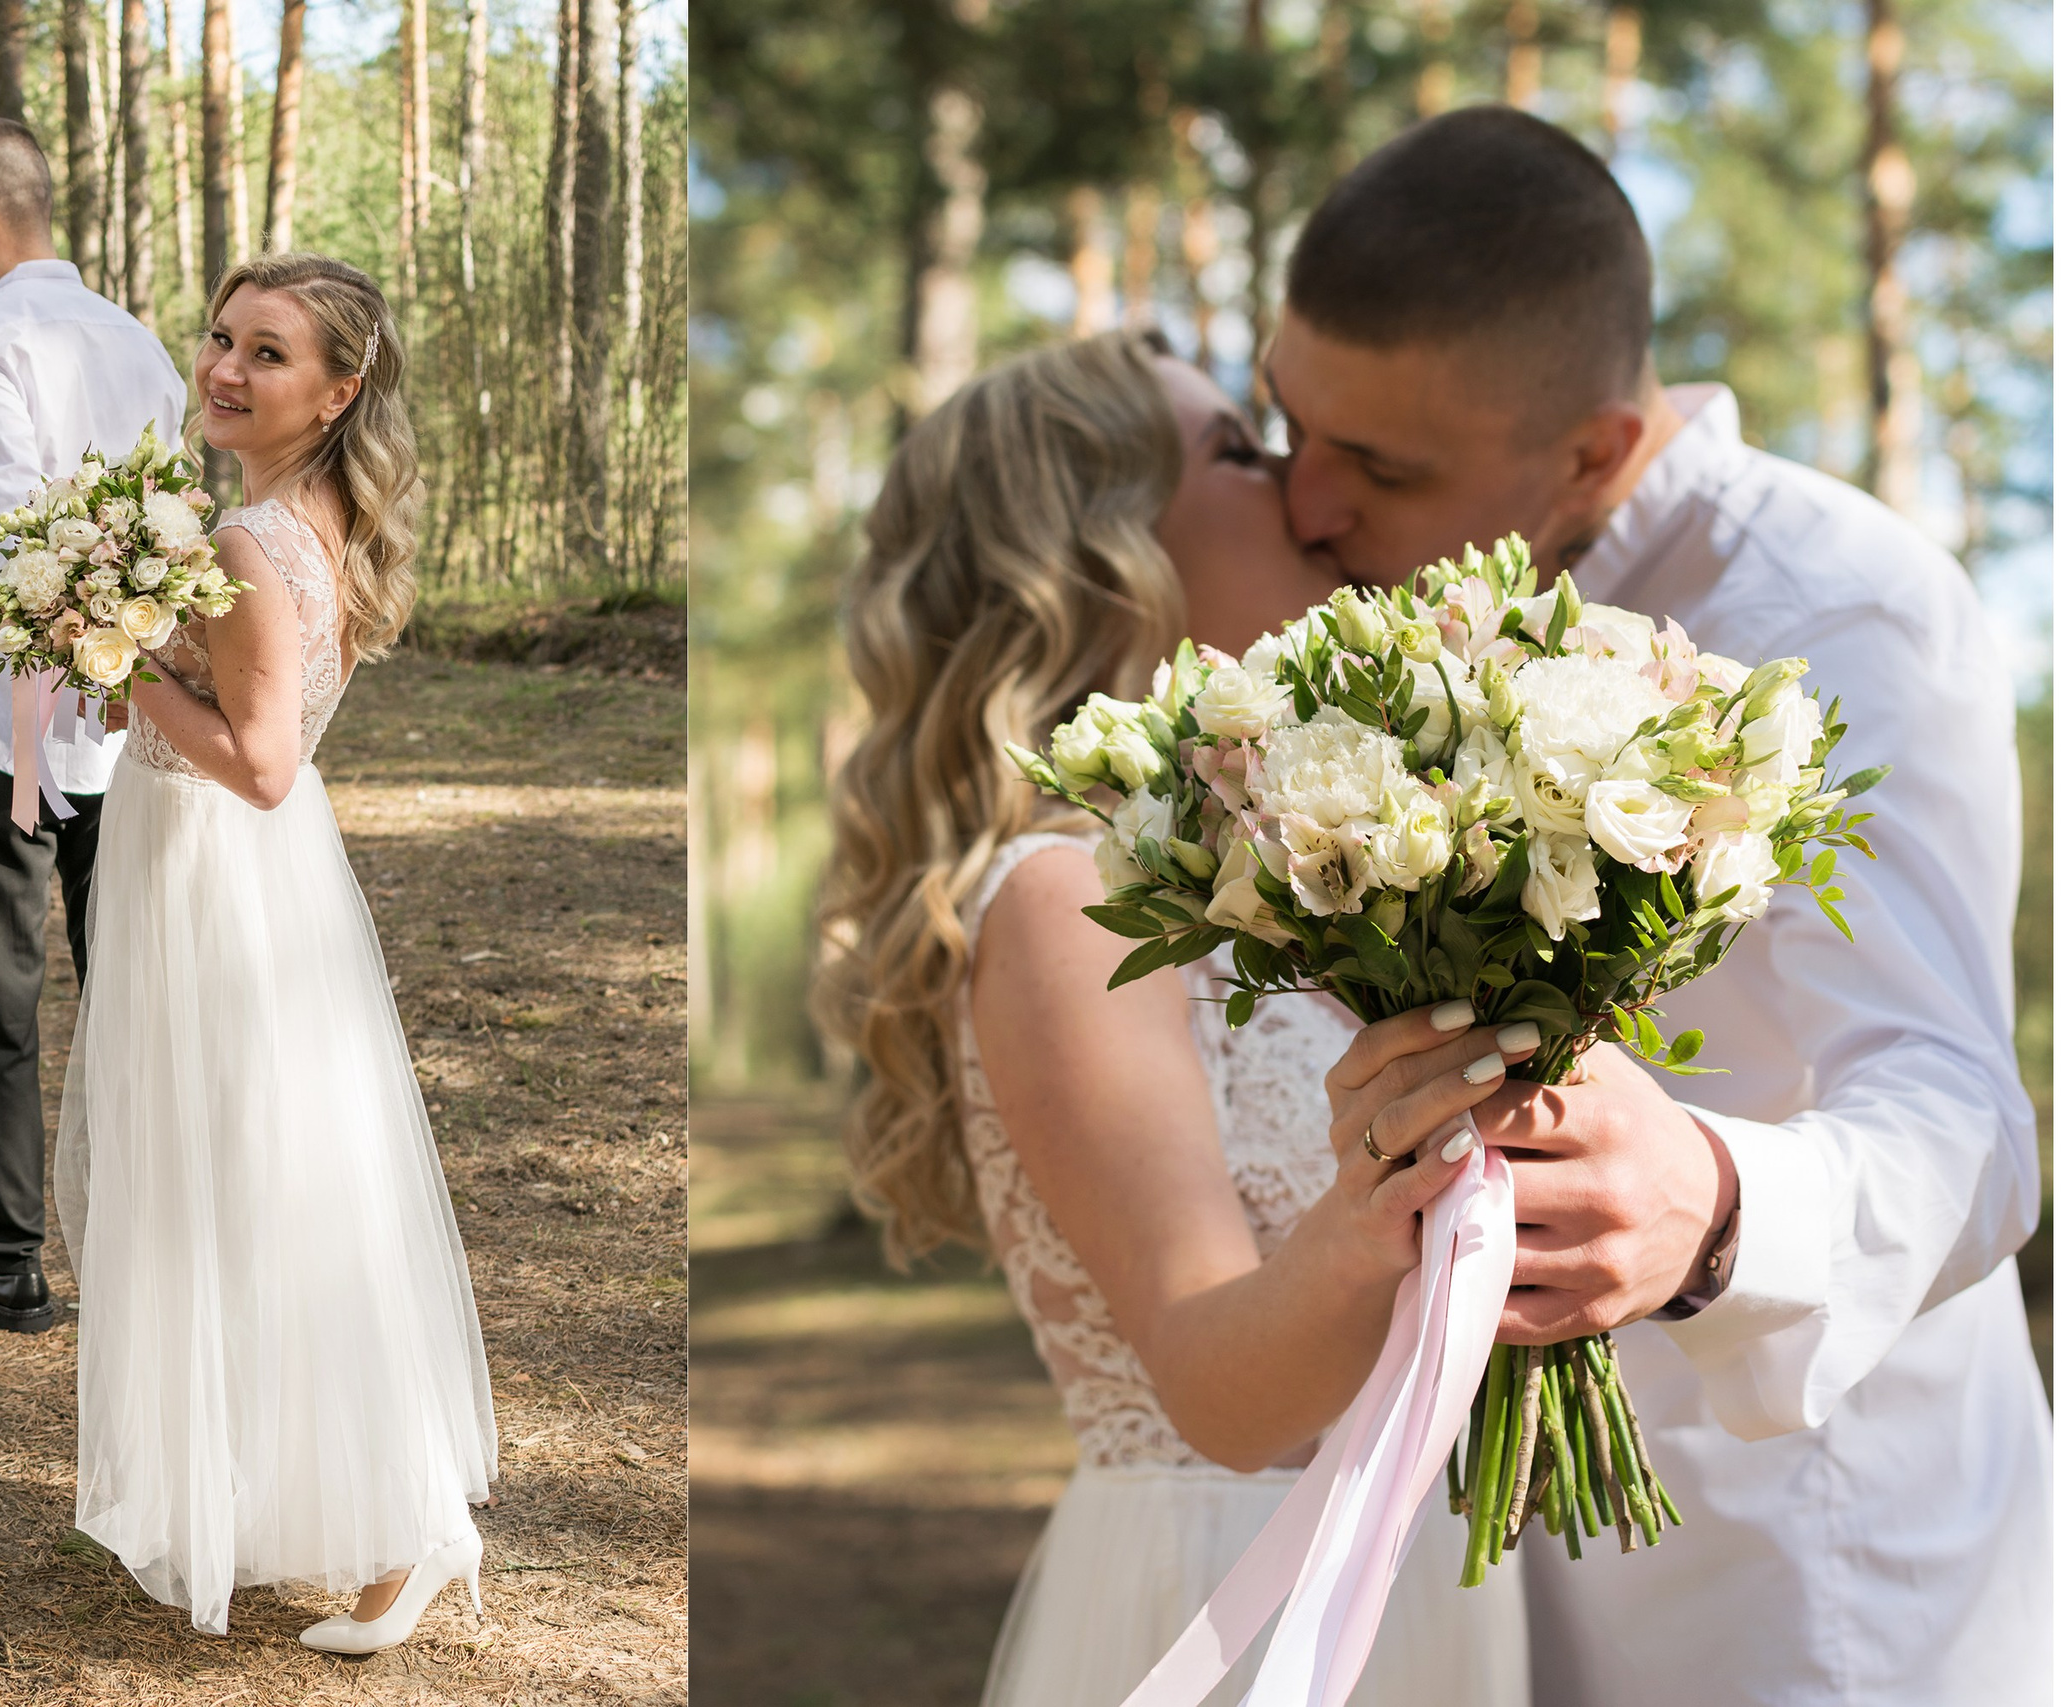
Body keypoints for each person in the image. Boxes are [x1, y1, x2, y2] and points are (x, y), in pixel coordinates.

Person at [1273, 107, 2049, 1702]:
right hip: (1477, 1569)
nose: (1304, 506)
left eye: (1381, 465)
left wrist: (1707, 1197)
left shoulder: (1838, 607)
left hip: (1809, 1584)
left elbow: (1964, 1113)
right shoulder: (1379, 613)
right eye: (1287, 424)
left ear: (1599, 452)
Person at [813, 331, 1532, 1707]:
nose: (1301, 491)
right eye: (1238, 454)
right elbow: (1219, 1381)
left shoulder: (1289, 873)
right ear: (1101, 545)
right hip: (1234, 1591)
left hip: (1405, 1572)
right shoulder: (1062, 896)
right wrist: (1422, 1158)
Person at [54, 253, 500, 1648]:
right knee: (260, 1180)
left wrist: (121, 666)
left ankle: (405, 1524)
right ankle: (304, 1488)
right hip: (240, 875)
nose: (225, 369)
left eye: (268, 353)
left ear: (338, 390)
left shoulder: (249, 544)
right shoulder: (290, 518)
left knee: (256, 1185)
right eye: (221, 338)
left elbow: (257, 761)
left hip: (225, 874)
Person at [0, 117, 188, 1333]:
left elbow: (17, 518)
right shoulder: (145, 345)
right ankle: (144, 1252)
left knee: (3, 995)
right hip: (129, 720)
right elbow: (169, 519)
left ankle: (11, 1257)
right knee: (127, 987)